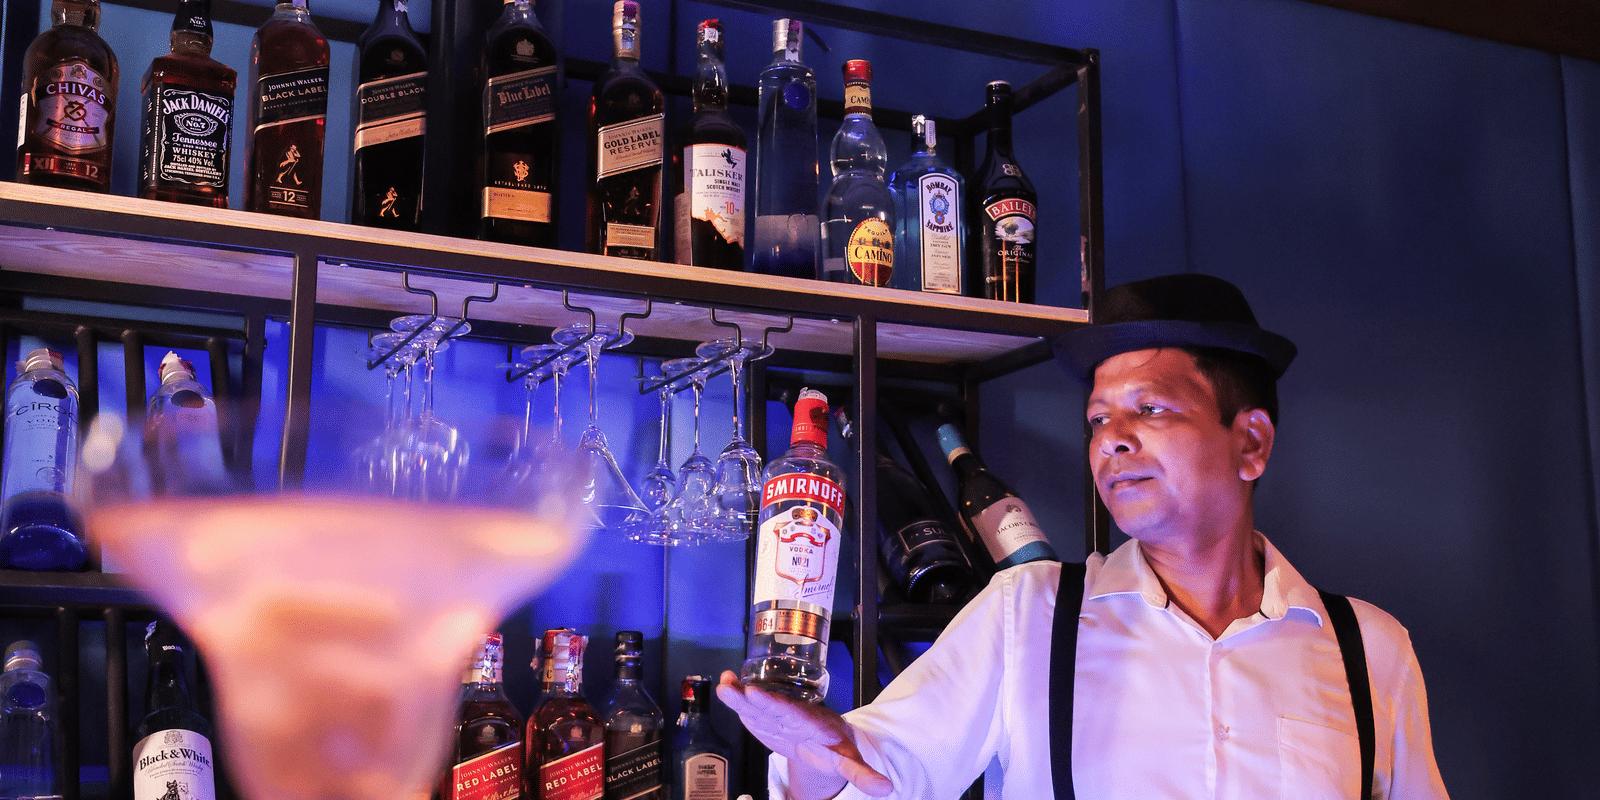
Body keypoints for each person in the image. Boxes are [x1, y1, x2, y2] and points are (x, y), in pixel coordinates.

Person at [717, 273, 1450, 799]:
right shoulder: (1028, 614)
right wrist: (814, 757)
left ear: (1250, 442)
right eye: (1100, 419)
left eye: (1151, 409)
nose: (1113, 441)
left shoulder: (1370, 650)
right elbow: (872, 774)